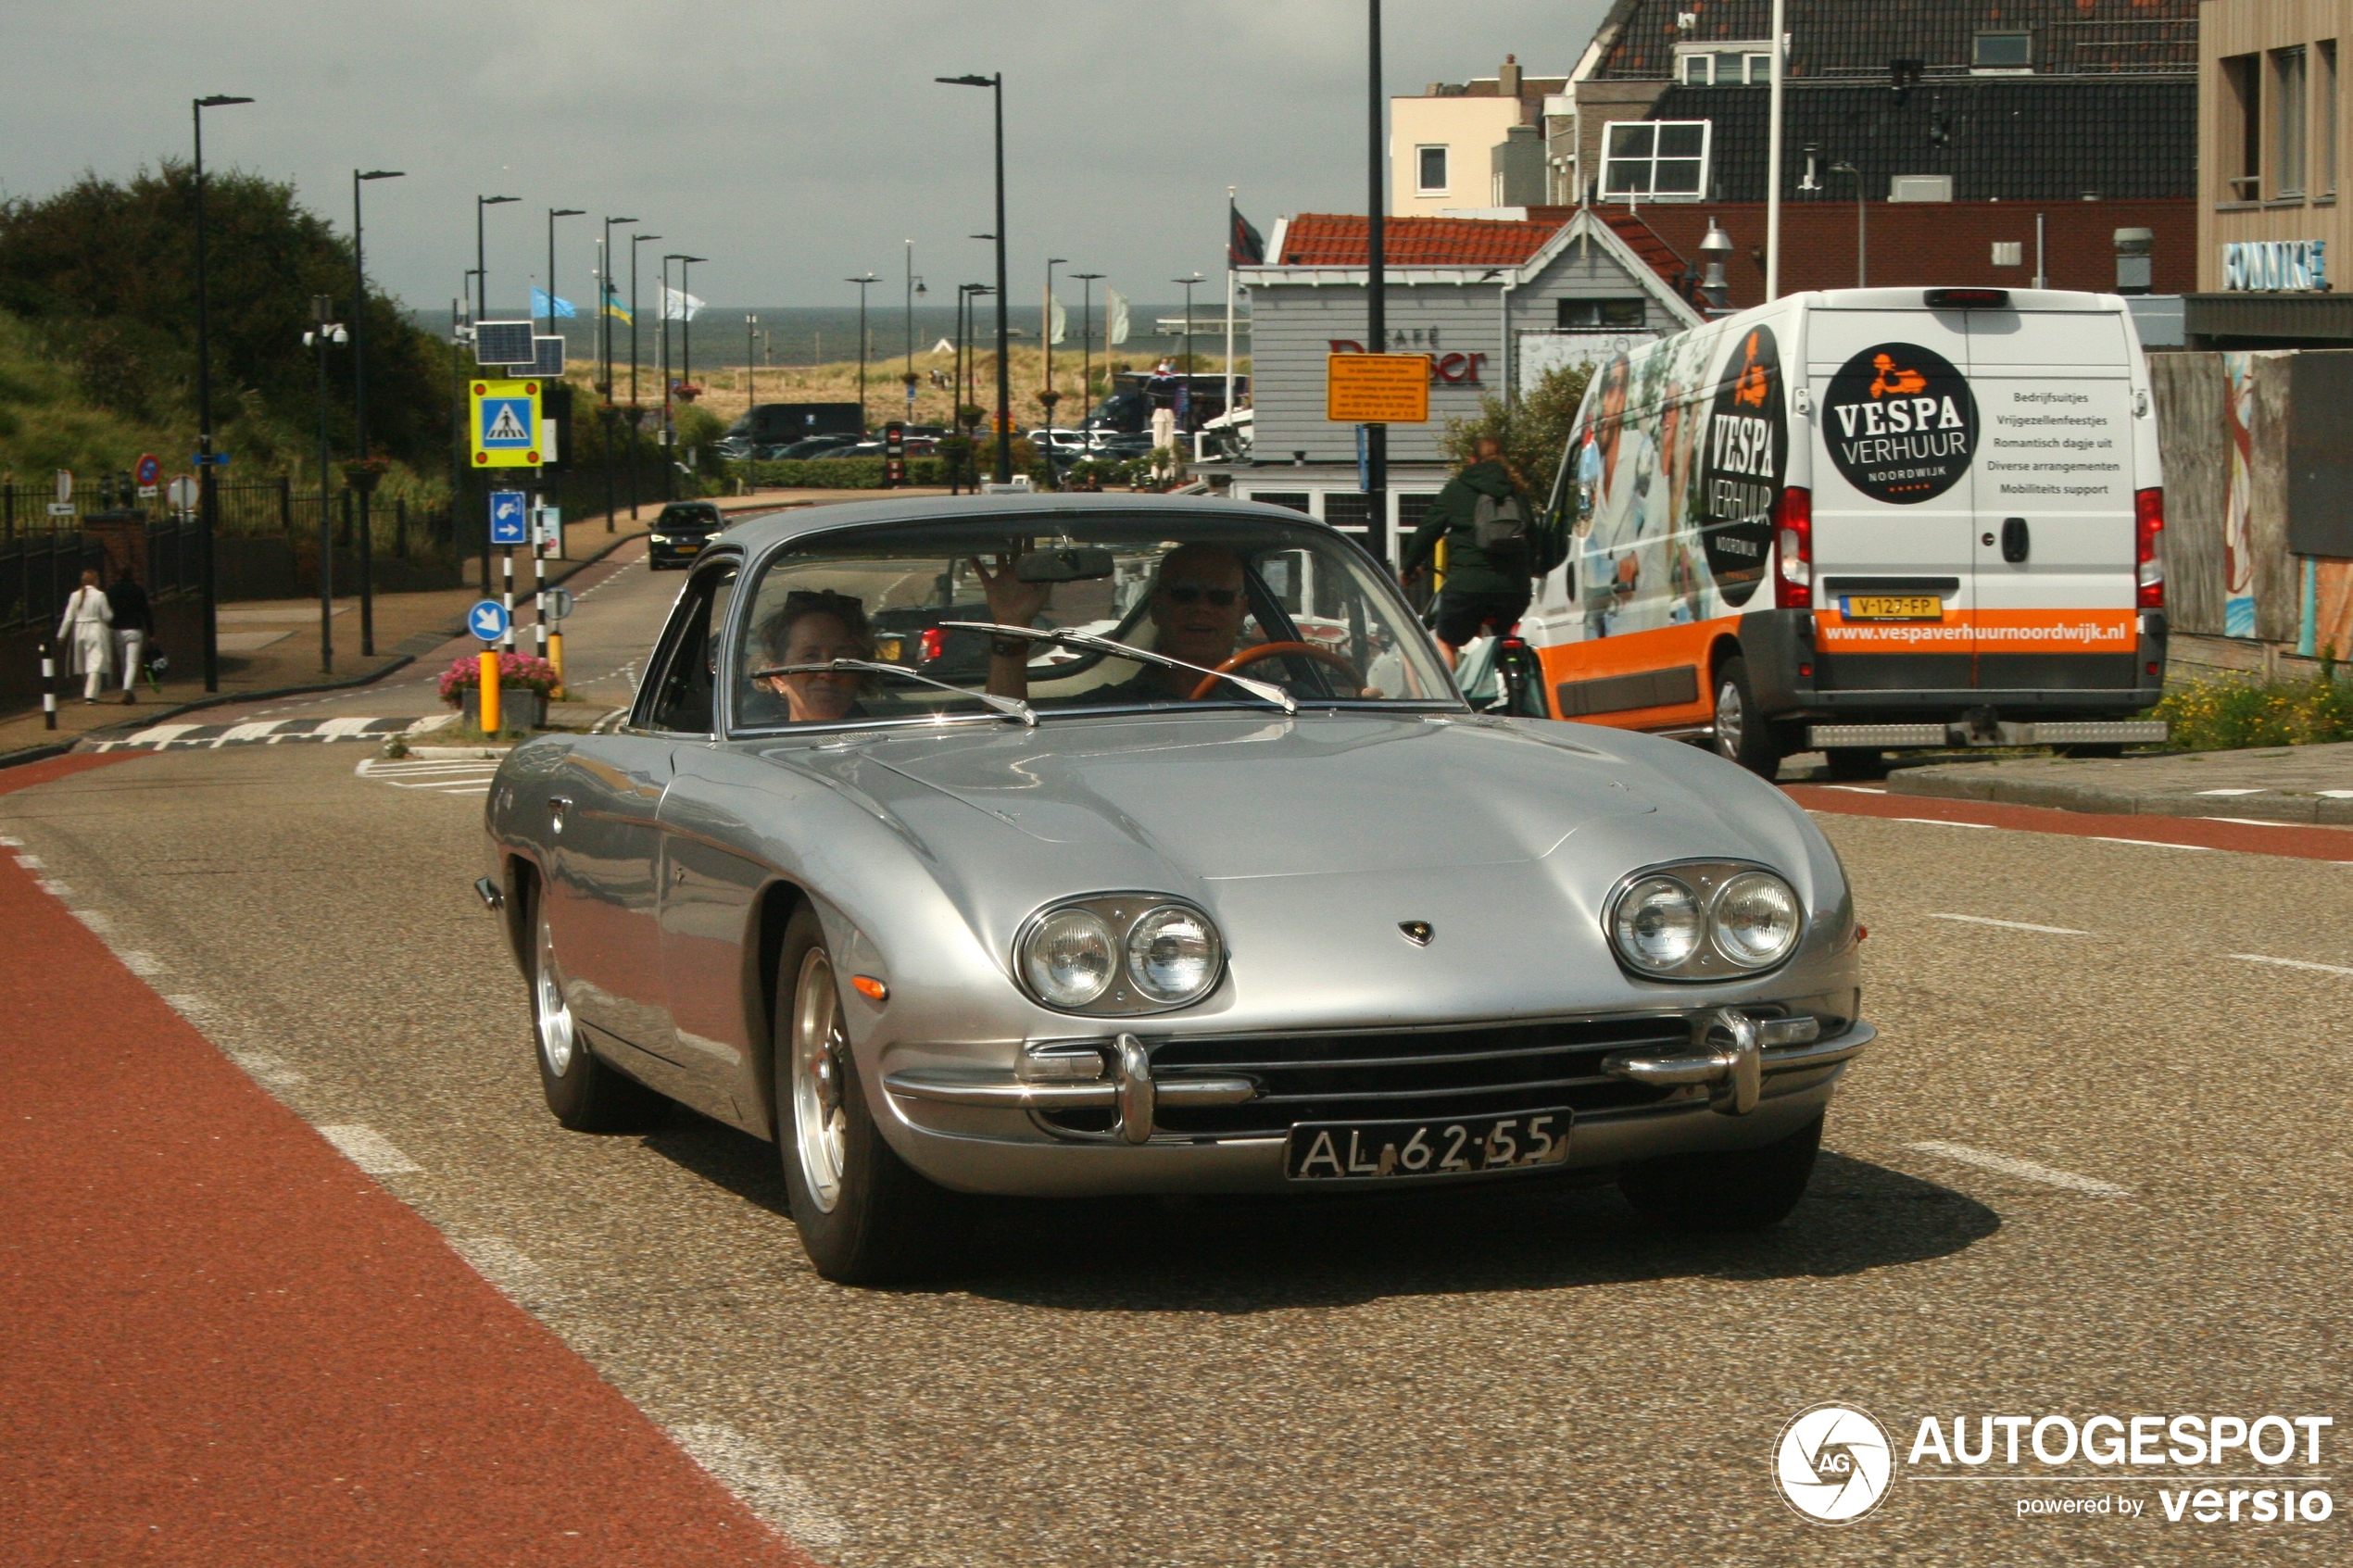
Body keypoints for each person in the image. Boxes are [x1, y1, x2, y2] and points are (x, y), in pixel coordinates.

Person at [976, 542, 1256, 704]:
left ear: (1242, 610)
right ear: (1157, 607)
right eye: (1184, 595)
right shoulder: (1110, 707)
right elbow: (1009, 737)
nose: (1201, 608)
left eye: (1220, 598)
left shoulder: (1287, 702)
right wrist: (1010, 626)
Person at [1400, 436, 1535, 669]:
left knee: (1445, 642)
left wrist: (1409, 567)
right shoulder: (1517, 490)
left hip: (1468, 587)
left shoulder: (1458, 488)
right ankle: (1514, 690)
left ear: (1472, 460)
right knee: (1506, 636)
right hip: (1514, 587)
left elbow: (1428, 531)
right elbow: (1534, 533)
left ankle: (1449, 702)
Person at [750, 589, 872, 723]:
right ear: (778, 678)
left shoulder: (895, 735)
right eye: (811, 656)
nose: (828, 674)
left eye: (842, 658)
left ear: (861, 672)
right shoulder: (759, 742)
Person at [56, 569, 113, 704]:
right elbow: (107, 616)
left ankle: (88, 691)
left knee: (83, 662)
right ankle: (91, 695)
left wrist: (61, 635)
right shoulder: (100, 596)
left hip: (79, 630)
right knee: (95, 663)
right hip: (96, 630)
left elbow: (68, 617)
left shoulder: (74, 595)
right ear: (96, 580)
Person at [107, 564, 153, 705]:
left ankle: (129, 691)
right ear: (131, 574)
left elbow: (107, 611)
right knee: (132, 662)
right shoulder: (138, 590)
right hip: (135, 629)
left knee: (123, 662)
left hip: (118, 630)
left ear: (118, 575)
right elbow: (146, 612)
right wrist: (152, 633)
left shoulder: (111, 591)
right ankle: (128, 690)